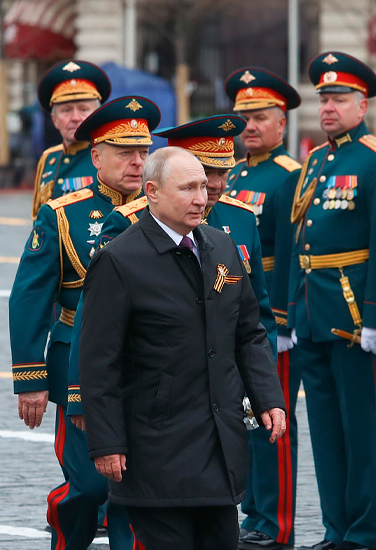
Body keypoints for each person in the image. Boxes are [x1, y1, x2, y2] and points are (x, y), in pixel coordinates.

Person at [79, 147, 287, 550]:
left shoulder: (221, 247)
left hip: (219, 443)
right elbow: (98, 362)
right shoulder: (120, 260)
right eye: (188, 188)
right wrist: (106, 444)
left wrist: (267, 397)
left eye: (204, 187)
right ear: (152, 192)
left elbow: (249, 332)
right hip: (157, 447)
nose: (201, 197)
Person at [9, 95, 159, 550]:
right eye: (124, 153)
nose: (137, 163)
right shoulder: (62, 213)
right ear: (96, 156)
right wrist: (30, 377)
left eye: (142, 153)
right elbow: (30, 296)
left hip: (150, 363)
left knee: (135, 488)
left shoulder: (166, 208)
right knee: (90, 486)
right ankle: (66, 533)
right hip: (79, 364)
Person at [66, 114, 278, 421]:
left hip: (229, 391)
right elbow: (95, 319)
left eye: (224, 172)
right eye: (207, 173)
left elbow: (257, 315)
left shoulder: (242, 218)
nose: (216, 185)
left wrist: (260, 390)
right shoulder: (129, 220)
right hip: (161, 396)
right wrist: (80, 395)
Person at [289, 51, 376, 550]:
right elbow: (303, 241)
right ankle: (335, 529)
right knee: (326, 431)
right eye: (324, 99)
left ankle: (363, 533)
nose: (329, 107)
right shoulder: (317, 159)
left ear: (363, 105)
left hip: (353, 315)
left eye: (339, 99)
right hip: (314, 312)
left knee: (360, 432)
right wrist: (294, 312)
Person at [224, 67, 303, 550]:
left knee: (272, 419)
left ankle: (277, 523)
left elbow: (295, 254)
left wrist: (286, 318)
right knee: (244, 418)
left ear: (282, 123)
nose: (249, 127)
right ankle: (252, 511)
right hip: (232, 311)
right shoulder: (232, 174)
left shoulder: (290, 177)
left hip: (269, 317)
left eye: (259, 118)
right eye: (242, 118)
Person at [31, 59, 111, 218]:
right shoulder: (49, 159)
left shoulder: (111, 155)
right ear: (54, 120)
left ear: (97, 115)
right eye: (66, 110)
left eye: (83, 109)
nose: (75, 117)